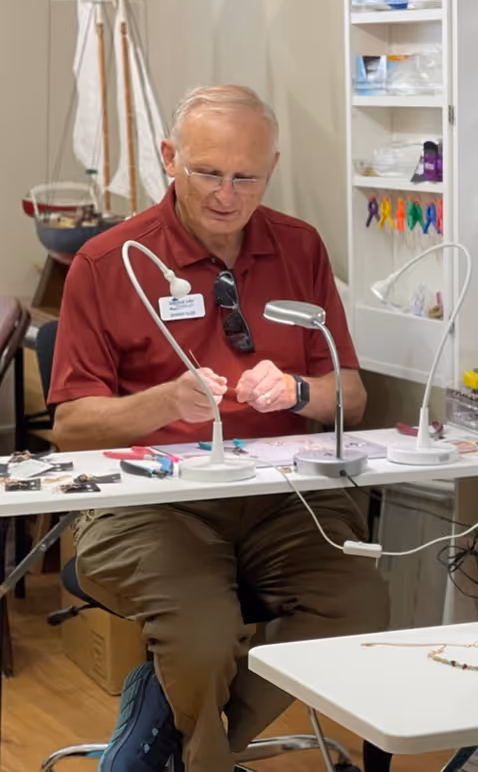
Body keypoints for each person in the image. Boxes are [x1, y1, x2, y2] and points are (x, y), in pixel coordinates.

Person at [48, 85, 389, 772]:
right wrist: (163, 401)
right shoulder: (107, 262)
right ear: (169, 158)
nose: (227, 196)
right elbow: (70, 426)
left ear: (272, 168)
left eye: (247, 177)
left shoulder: (299, 247)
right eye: (207, 172)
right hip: (147, 504)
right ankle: (199, 750)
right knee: (203, 639)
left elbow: (351, 395)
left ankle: (180, 741)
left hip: (279, 497)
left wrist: (299, 390)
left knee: (360, 602)